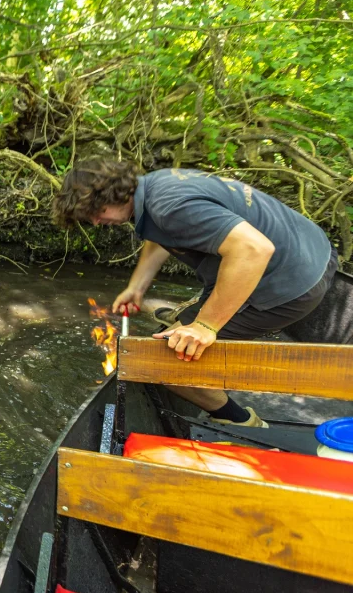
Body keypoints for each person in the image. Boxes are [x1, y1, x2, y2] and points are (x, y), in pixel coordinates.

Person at [52, 158, 339, 427]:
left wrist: (205, 326)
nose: (95, 222)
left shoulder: (170, 207)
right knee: (173, 329)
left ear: (111, 195)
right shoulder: (155, 186)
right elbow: (161, 234)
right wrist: (137, 286)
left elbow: (253, 249)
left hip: (290, 283)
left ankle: (243, 422)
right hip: (316, 253)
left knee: (158, 358)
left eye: (95, 213)